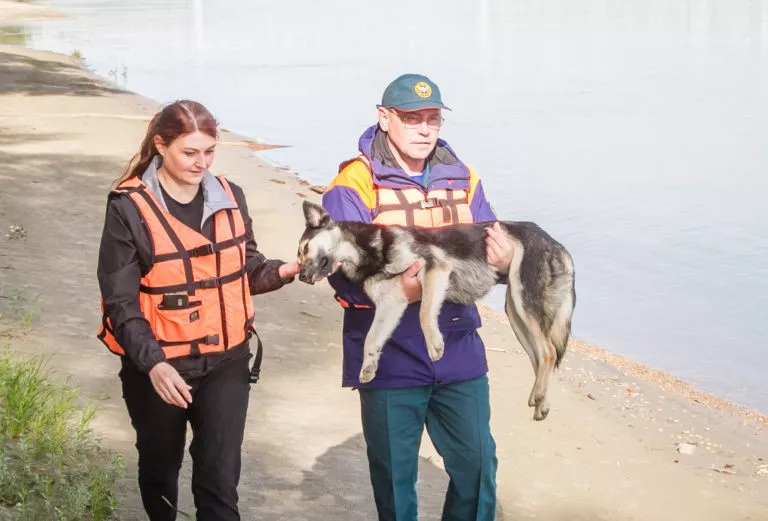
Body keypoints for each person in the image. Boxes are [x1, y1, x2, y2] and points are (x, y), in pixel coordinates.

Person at [321, 74, 515, 521]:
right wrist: (405, 290)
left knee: (478, 468)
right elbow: (341, 276)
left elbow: (489, 253)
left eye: (432, 119)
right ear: (384, 118)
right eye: (412, 118)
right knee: (394, 480)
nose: (425, 129)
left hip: (459, 347)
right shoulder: (353, 183)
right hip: (390, 356)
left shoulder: (464, 177)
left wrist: (506, 264)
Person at [96, 100, 300, 521]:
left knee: (220, 480)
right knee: (159, 472)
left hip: (227, 362)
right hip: (159, 366)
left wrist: (289, 269)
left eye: (209, 151)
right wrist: (153, 365)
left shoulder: (231, 196)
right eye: (190, 152)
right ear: (160, 145)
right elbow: (120, 302)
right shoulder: (127, 207)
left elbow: (245, 268)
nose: (201, 162)